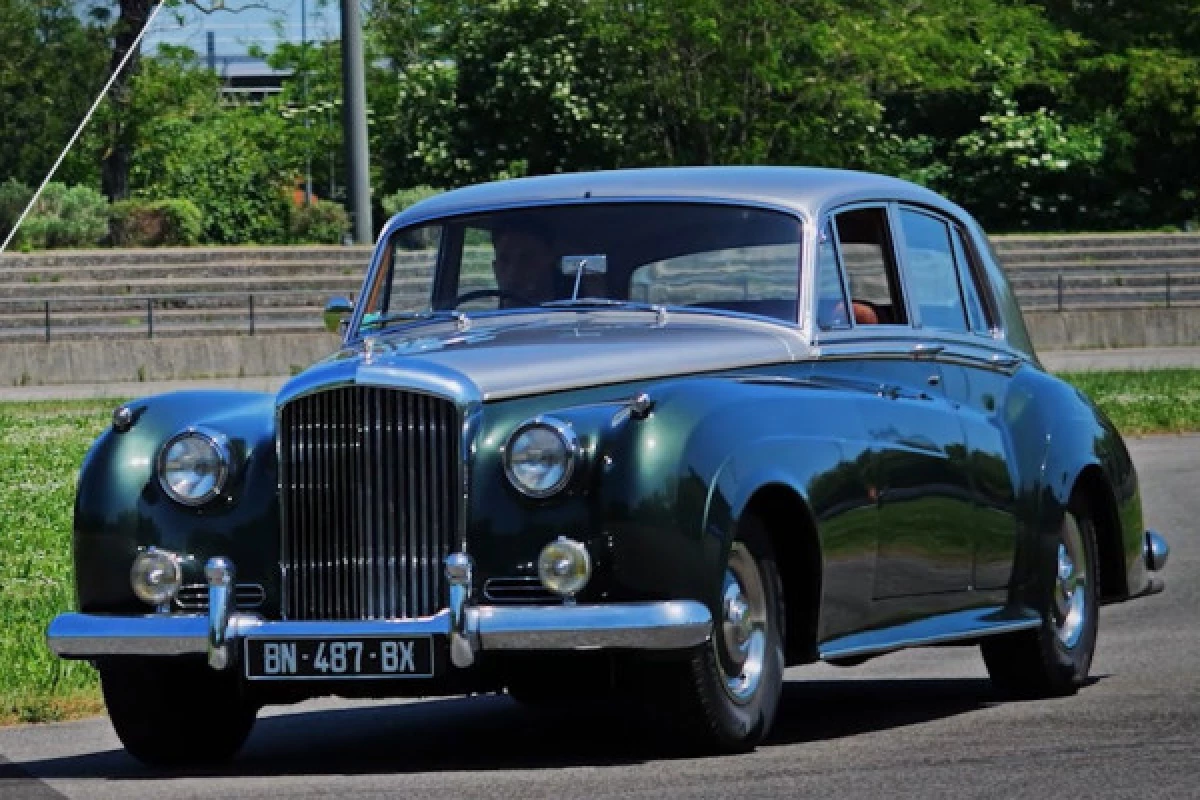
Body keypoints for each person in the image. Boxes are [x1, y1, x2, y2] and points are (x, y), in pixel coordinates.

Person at [491, 220, 560, 308]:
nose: (513, 271)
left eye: (526, 259)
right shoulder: (479, 319)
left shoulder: (575, 314)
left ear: (548, 260)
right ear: (495, 267)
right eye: (504, 260)